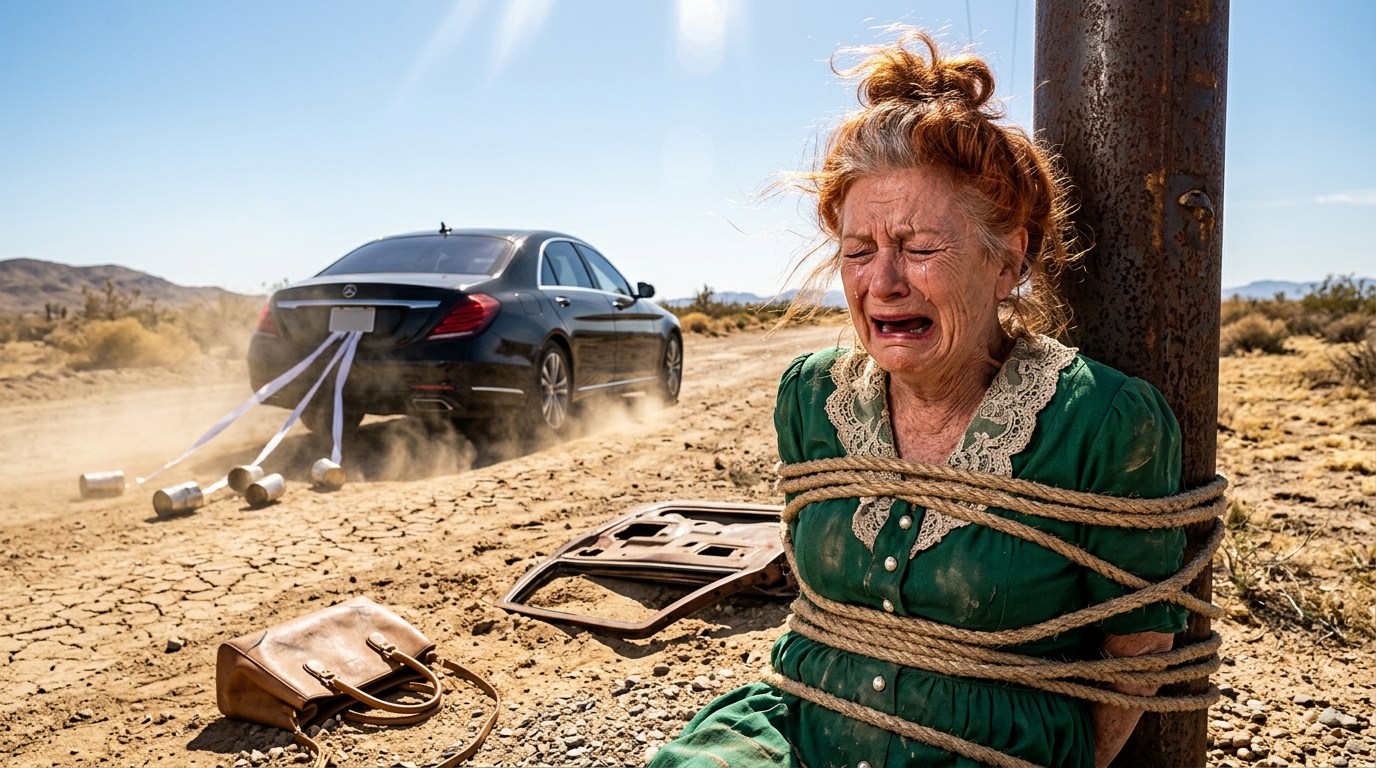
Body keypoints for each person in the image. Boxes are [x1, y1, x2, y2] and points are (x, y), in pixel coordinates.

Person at [650, 29, 1187, 768]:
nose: (883, 283)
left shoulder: (1103, 421)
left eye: (921, 248)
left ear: (1010, 260)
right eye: (858, 251)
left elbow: (1140, 642)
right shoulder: (811, 398)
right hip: (802, 729)